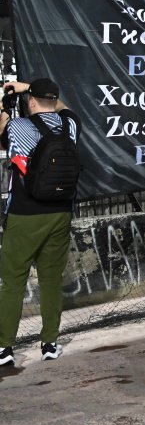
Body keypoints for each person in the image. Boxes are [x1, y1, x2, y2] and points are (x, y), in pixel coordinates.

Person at [0, 78, 80, 367]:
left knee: (12, 281)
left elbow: (1, 129)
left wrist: (8, 103)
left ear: (31, 102)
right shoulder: (69, 126)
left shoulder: (17, 127)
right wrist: (30, 87)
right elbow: (65, 108)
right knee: (50, 280)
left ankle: (4, 347)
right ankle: (49, 343)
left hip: (24, 214)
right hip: (60, 212)